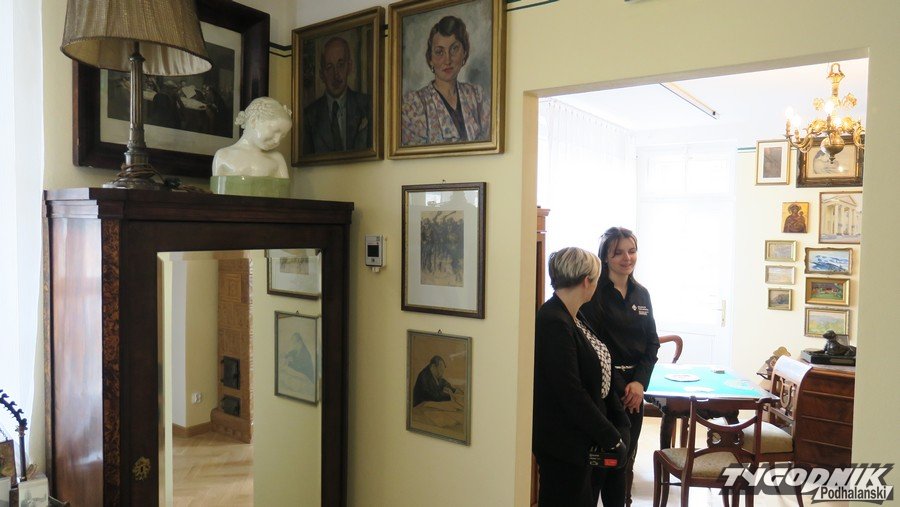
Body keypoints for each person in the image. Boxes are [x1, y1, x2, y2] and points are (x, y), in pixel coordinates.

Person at [533, 247, 630, 506]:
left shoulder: (573, 315)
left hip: (583, 439)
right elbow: (571, 392)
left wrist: (619, 424)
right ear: (587, 281)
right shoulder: (553, 320)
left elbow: (600, 372)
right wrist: (611, 437)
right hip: (563, 444)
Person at [580, 227, 660, 505]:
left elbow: (652, 344)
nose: (627, 258)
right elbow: (593, 348)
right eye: (618, 253)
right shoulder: (593, 294)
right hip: (605, 391)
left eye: (632, 251)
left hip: (634, 393)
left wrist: (638, 383)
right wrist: (623, 387)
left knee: (625, 461)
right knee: (600, 465)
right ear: (605, 257)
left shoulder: (642, 294)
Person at [400, 15, 491, 147]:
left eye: (454, 49)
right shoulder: (414, 105)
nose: (447, 60)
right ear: (430, 59)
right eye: (439, 52)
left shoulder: (477, 96)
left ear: (464, 53)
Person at [302, 36, 371, 154]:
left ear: (349, 66)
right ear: (322, 74)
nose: (336, 74)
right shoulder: (309, 116)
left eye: (341, 64)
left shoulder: (366, 105)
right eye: (329, 67)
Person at [212, 96, 292, 178]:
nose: (277, 140)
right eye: (275, 132)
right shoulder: (223, 155)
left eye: (282, 136)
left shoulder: (277, 159)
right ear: (253, 121)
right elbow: (218, 185)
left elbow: (284, 185)